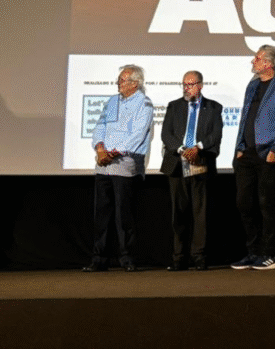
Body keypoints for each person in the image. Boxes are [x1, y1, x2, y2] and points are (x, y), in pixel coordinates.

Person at [231, 45, 275, 271]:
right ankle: (253, 252)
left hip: (268, 153)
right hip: (247, 154)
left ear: (268, 63)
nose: (253, 61)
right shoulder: (252, 85)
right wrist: (239, 147)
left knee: (267, 205)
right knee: (244, 203)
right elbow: (245, 117)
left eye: (257, 58)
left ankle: (268, 254)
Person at [84, 64, 153, 272]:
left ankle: (126, 258)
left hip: (124, 165)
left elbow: (138, 135)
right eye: (119, 79)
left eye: (123, 80)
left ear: (135, 83)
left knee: (124, 216)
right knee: (101, 216)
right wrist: (100, 148)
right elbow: (100, 125)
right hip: (103, 165)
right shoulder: (112, 101)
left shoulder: (144, 104)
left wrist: (113, 152)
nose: (118, 83)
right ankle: (99, 259)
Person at [159, 70, 223, 271]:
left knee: (200, 214)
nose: (187, 88)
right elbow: (166, 134)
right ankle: (178, 258)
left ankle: (199, 257)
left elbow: (215, 135)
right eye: (185, 84)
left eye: (191, 84)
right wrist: (182, 149)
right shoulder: (174, 106)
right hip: (177, 164)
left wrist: (198, 148)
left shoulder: (213, 107)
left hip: (200, 162)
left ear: (200, 85)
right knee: (178, 214)